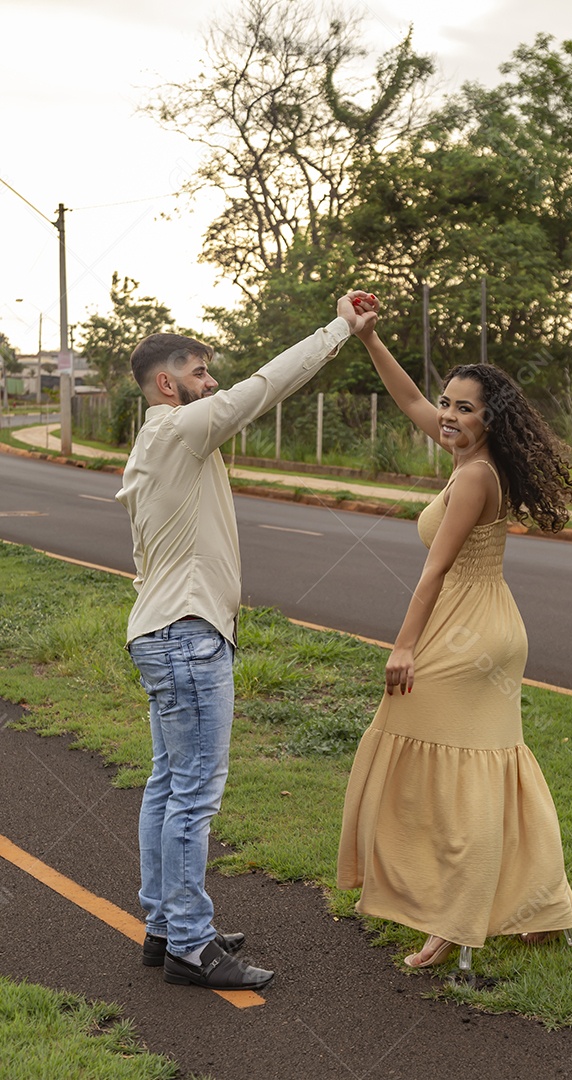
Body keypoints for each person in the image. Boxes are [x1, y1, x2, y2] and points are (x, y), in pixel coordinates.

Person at [117, 291, 378, 990]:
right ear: (168, 384)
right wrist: (340, 329)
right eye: (200, 373)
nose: (214, 385)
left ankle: (167, 924)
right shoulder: (180, 430)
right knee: (193, 794)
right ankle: (191, 947)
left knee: (169, 785)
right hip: (187, 637)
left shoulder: (152, 444)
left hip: (163, 632)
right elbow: (266, 386)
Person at [337, 311, 572, 968]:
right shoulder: (471, 455)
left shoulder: (474, 476)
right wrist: (368, 338)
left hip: (466, 634)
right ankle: (539, 905)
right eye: (447, 403)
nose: (445, 414)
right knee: (490, 765)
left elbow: (435, 568)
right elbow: (411, 400)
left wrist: (404, 646)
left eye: (462, 408)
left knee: (451, 773)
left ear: (489, 420)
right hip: (488, 624)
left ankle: (452, 917)